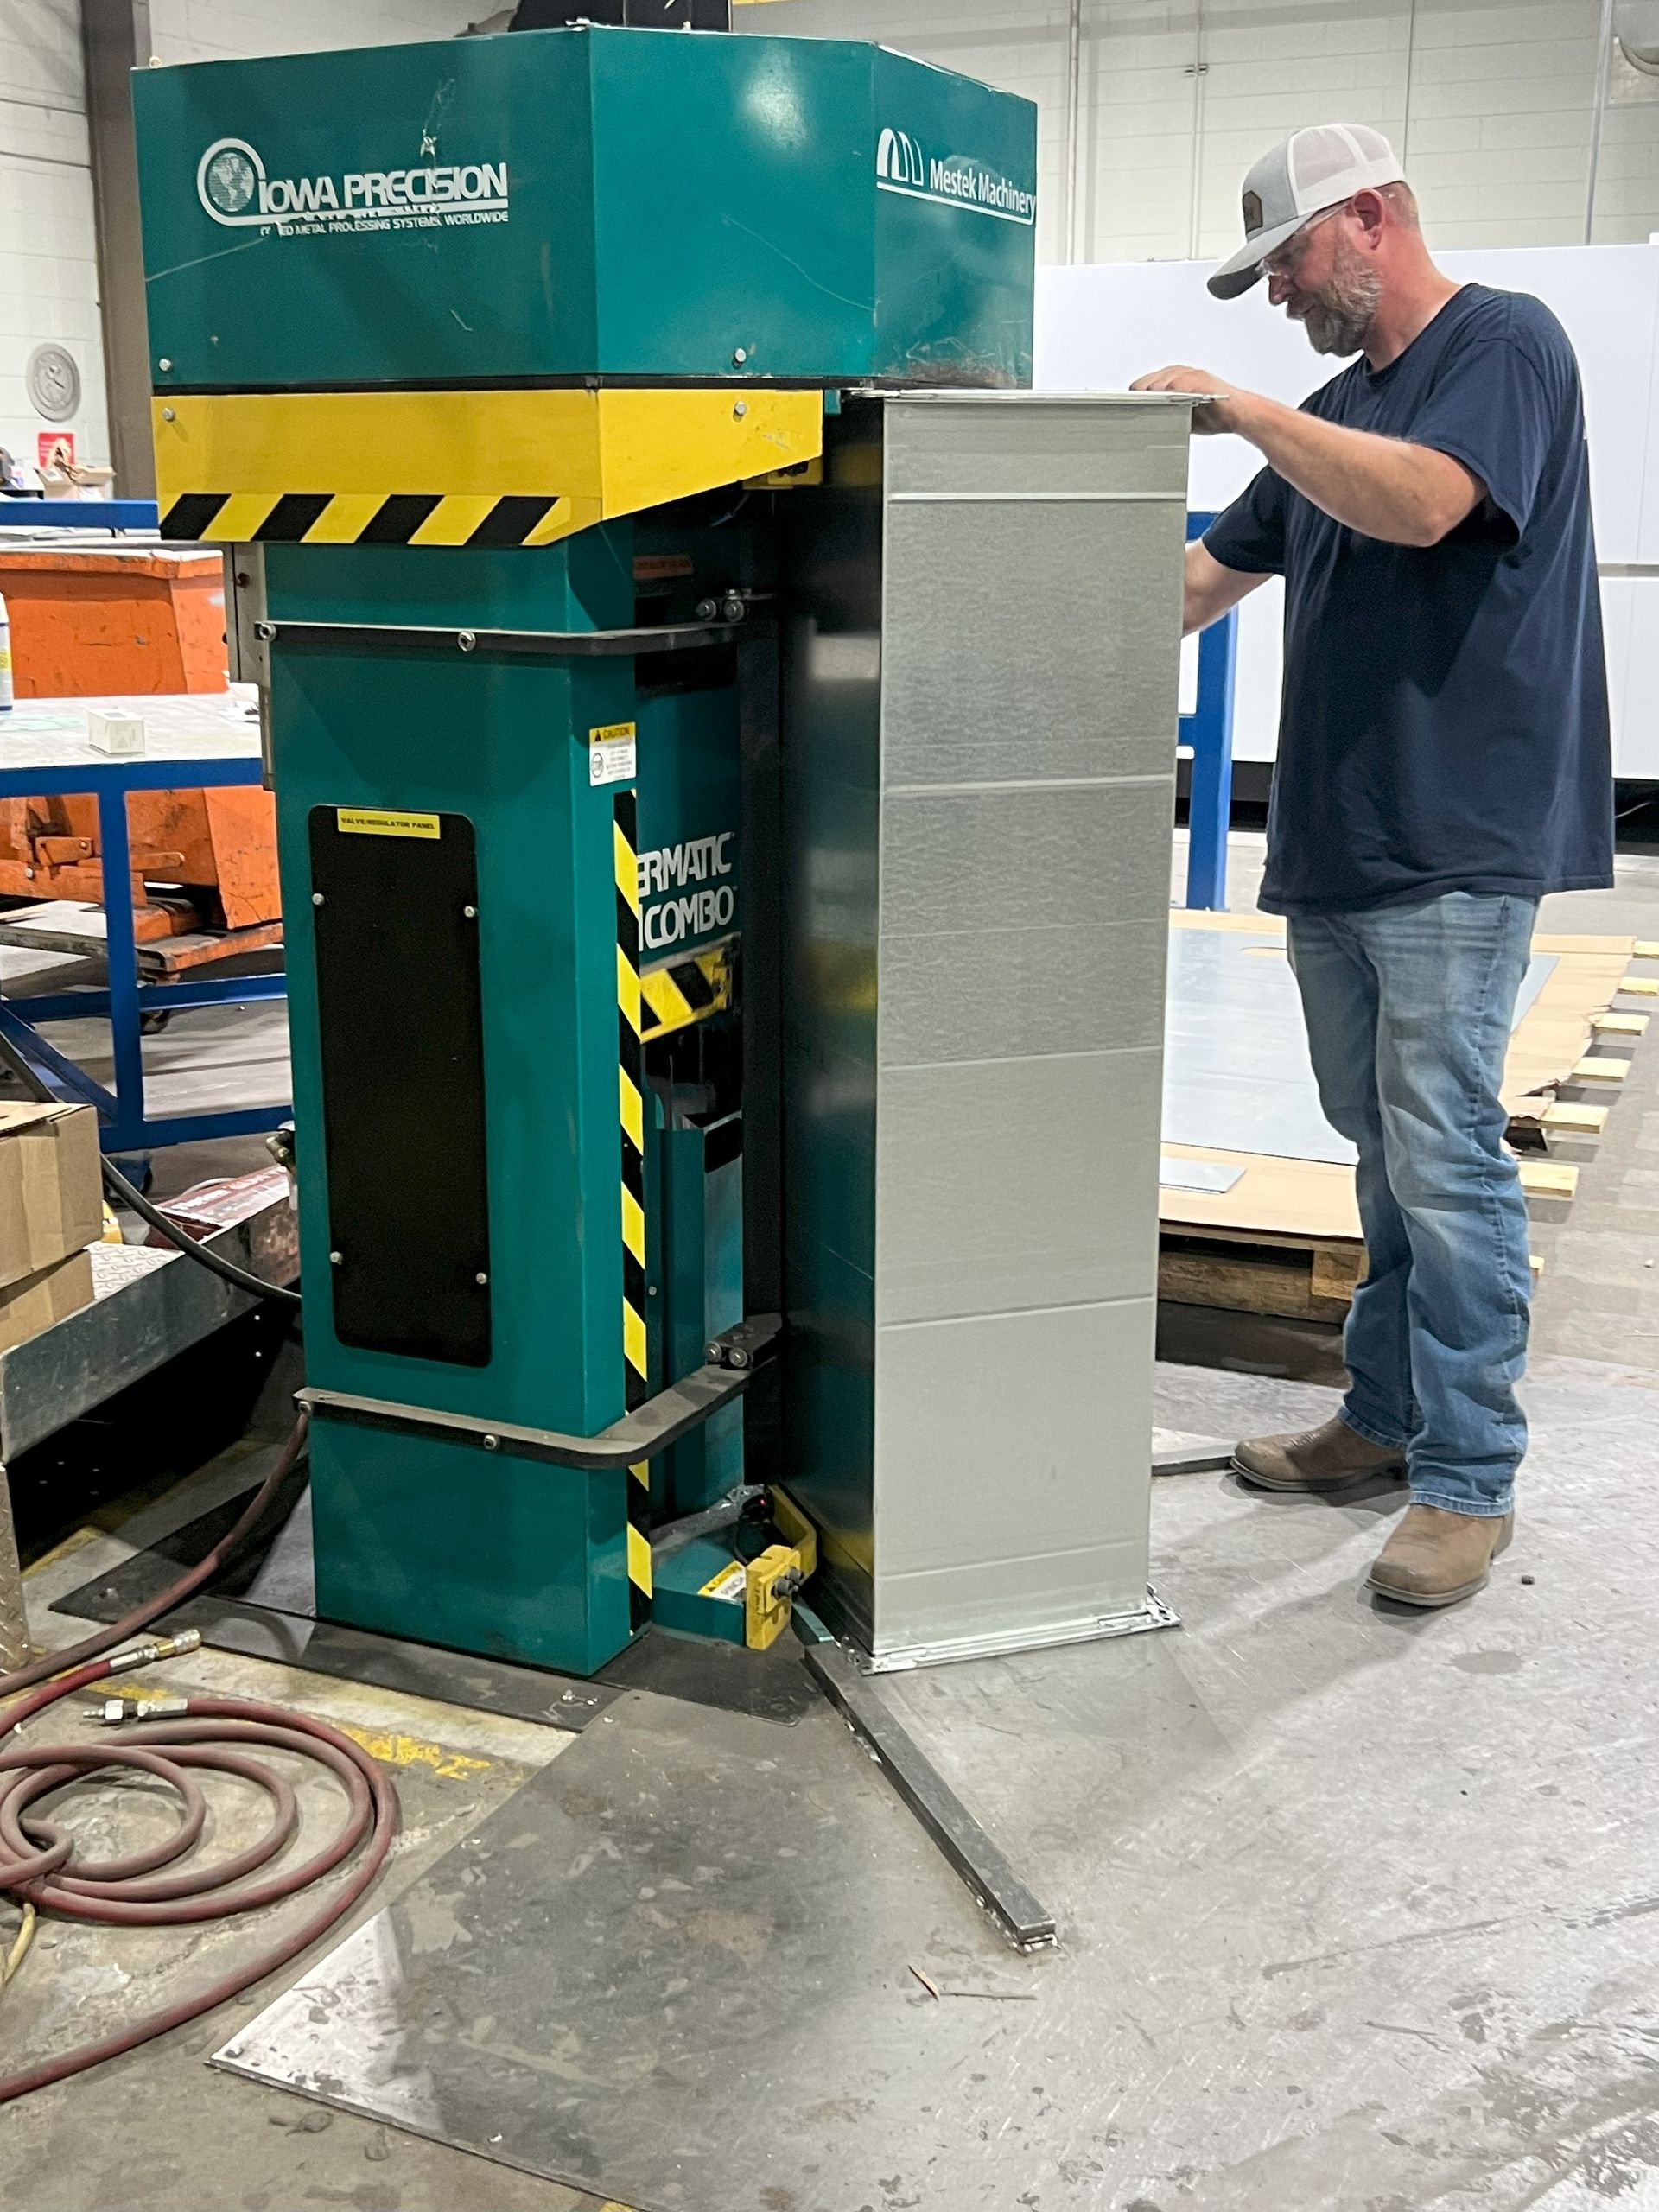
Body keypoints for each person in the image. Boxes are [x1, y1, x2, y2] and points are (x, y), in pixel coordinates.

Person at [1134, 124, 1613, 1608]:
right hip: (1337, 846)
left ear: (1374, 220)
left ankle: (1469, 1479)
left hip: (1457, 840)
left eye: (1287, 257)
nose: (1276, 290)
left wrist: (1238, 407)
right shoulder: (1337, 410)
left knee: (1448, 1155)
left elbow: (1428, 502)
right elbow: (1204, 581)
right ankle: (1386, 1418)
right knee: (1384, 1150)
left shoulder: (1504, 346)